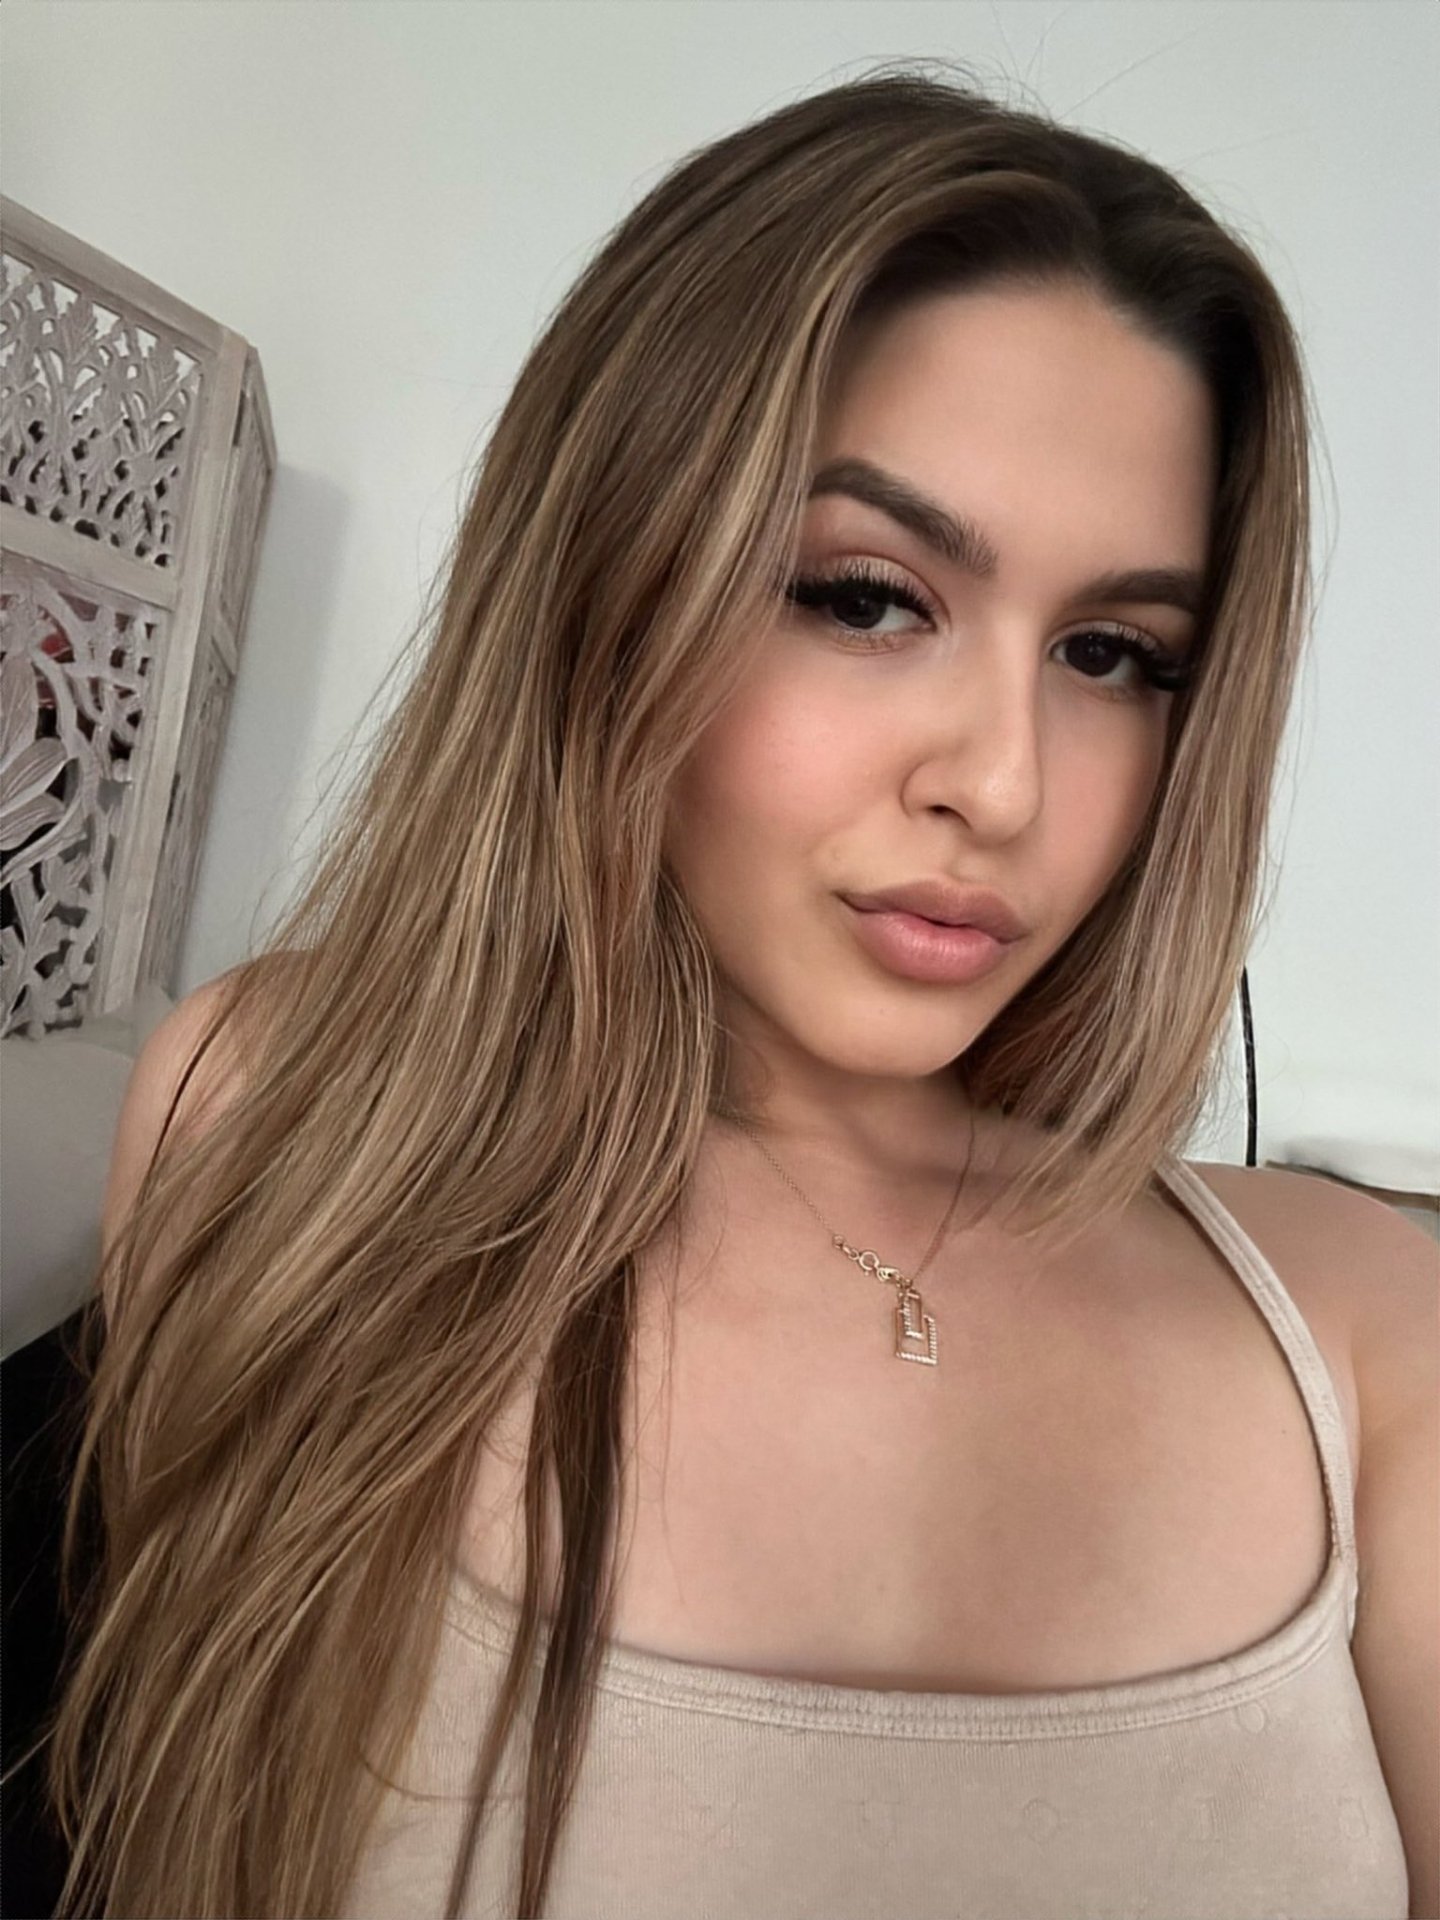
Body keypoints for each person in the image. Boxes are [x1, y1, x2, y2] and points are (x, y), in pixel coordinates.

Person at [32, 62, 1437, 1920]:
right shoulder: (286, 1123)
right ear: (610, 583)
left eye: (1112, 653)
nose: (1003, 783)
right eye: (865, 597)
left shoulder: (1365, 1325)